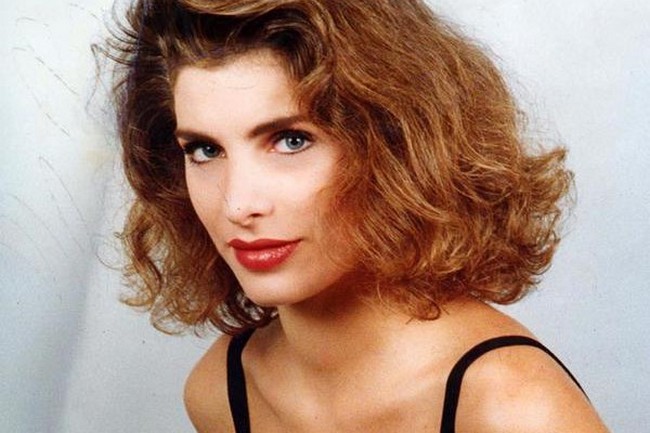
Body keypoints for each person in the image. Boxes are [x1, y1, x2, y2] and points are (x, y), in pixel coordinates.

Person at [107, 0, 609, 431]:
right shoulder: (221, 389)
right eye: (204, 150)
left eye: (291, 140)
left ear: (396, 149)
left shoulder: (511, 406)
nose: (237, 204)